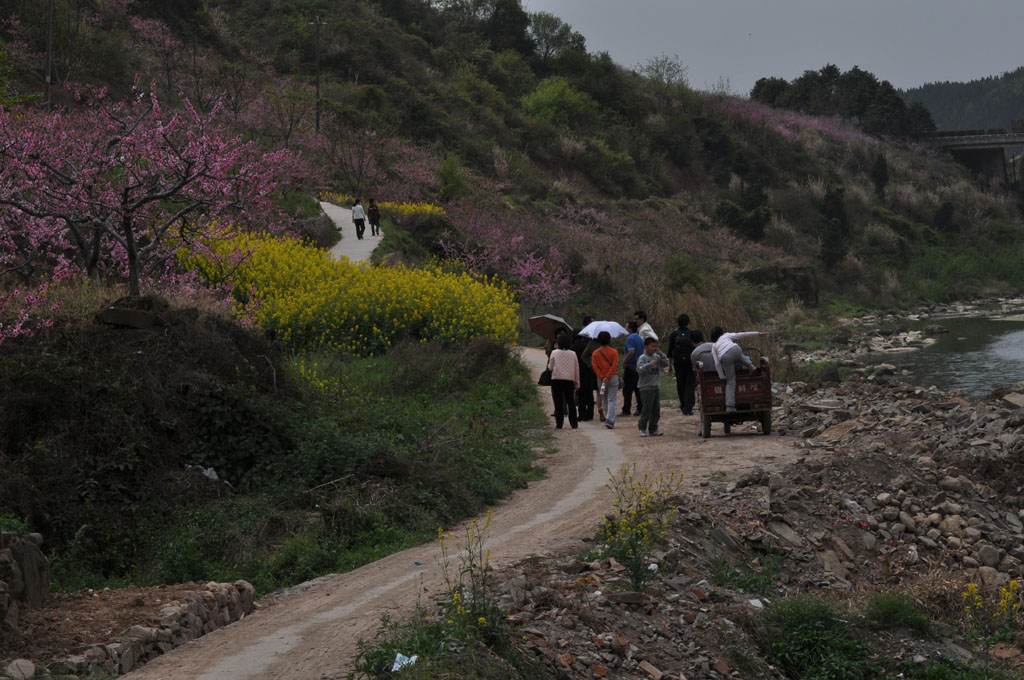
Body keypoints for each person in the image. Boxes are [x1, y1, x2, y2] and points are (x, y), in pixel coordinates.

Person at [710, 326, 769, 412]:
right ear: (722, 332)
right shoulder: (726, 335)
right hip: (736, 349)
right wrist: (757, 333)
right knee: (739, 354)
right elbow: (742, 334)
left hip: (725, 357)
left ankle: (730, 406)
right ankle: (751, 366)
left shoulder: (714, 346)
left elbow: (717, 363)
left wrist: (721, 376)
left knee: (731, 382)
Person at [636, 337, 669, 436]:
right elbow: (639, 369)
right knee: (647, 408)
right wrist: (649, 365)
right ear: (646, 347)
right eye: (652, 346)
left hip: (655, 386)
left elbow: (666, 363)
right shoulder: (642, 358)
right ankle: (642, 428)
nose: (654, 348)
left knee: (656, 410)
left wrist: (661, 354)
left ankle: (653, 429)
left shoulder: (657, 356)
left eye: (655, 346)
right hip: (645, 387)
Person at [547, 332, 579, 429]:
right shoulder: (573, 354)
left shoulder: (554, 352)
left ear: (559, 343)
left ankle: (559, 424)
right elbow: (576, 369)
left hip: (556, 379)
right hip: (569, 380)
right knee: (571, 402)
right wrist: (577, 383)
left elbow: (550, 368)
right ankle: (574, 424)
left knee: (558, 402)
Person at [666, 313, 696, 416]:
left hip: (678, 363)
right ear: (688, 323)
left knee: (681, 384)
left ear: (678, 323)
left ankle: (683, 405)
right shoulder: (692, 334)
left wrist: (670, 366)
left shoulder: (674, 335)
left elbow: (670, 352)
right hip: (690, 363)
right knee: (690, 385)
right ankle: (689, 407)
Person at [590, 331, 620, 429]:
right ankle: (610, 420)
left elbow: (595, 367)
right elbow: (614, 365)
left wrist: (603, 377)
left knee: (604, 398)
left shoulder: (595, 353)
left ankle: (608, 417)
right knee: (612, 399)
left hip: (601, 381)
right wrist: (608, 376)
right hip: (613, 378)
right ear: (609, 340)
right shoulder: (614, 352)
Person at [620, 320, 644, 417]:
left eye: (626, 327)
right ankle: (640, 408)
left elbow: (631, 352)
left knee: (627, 390)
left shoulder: (630, 339)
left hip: (631, 367)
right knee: (637, 389)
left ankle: (626, 409)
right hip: (639, 366)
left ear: (630, 329)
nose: (625, 329)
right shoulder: (639, 338)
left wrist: (625, 361)